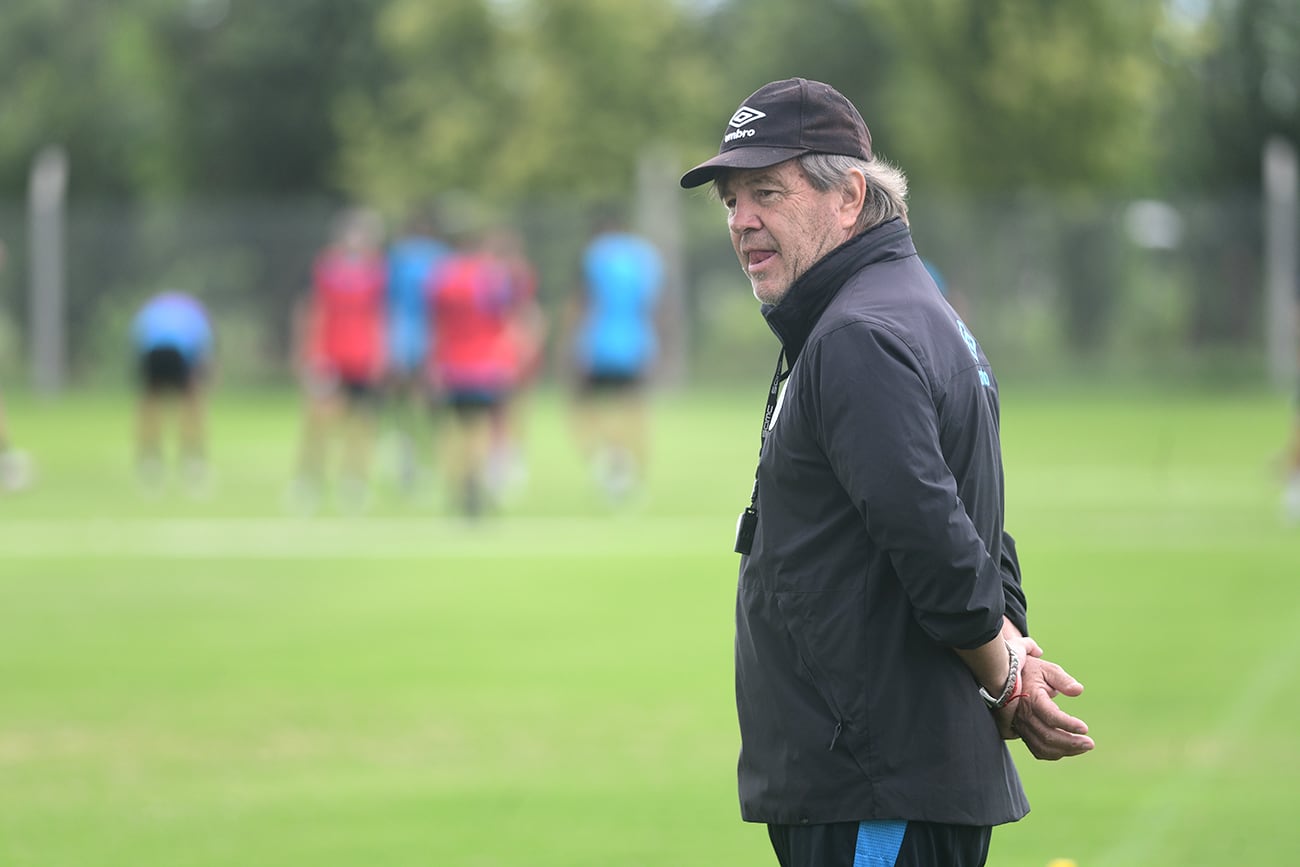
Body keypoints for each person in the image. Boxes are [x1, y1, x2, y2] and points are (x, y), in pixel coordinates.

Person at [680, 78, 1094, 867]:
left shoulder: (857, 333)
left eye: (767, 190)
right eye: (731, 200)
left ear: (850, 197)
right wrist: (1012, 648)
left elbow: (937, 538)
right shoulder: (903, 310)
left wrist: (1005, 673)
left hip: (876, 786)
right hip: (876, 781)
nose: (741, 220)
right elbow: (975, 527)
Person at [426, 224, 541, 516]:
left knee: (454, 428)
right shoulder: (490, 278)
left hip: (451, 363)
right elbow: (509, 315)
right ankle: (477, 486)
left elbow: (435, 323)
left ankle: (459, 487)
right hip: (487, 364)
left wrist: (432, 364)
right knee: (483, 427)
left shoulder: (440, 277)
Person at [289, 207, 388, 514]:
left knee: (362, 423)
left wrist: (380, 353)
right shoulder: (324, 268)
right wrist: (307, 351)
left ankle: (354, 483)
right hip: (328, 357)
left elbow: (380, 316)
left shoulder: (377, 272)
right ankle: (308, 481)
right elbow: (310, 310)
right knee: (319, 422)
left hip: (362, 358)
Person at [565, 211, 664, 503]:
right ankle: (634, 474)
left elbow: (585, 300)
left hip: (599, 342)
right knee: (634, 408)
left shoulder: (595, 255)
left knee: (583, 406)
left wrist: (571, 343)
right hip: (637, 342)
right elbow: (653, 304)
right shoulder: (645, 256)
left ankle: (609, 457)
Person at [385, 209, 452, 496]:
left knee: (404, 402)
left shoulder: (398, 257)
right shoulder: (443, 257)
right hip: (432, 338)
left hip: (404, 337)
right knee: (432, 403)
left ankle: (408, 455)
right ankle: (430, 457)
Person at [130, 290, 215, 495]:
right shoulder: (194, 311)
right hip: (179, 352)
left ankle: (150, 458)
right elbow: (203, 345)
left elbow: (136, 337)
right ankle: (193, 457)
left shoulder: (151, 309)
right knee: (191, 403)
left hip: (152, 352)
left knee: (150, 403)